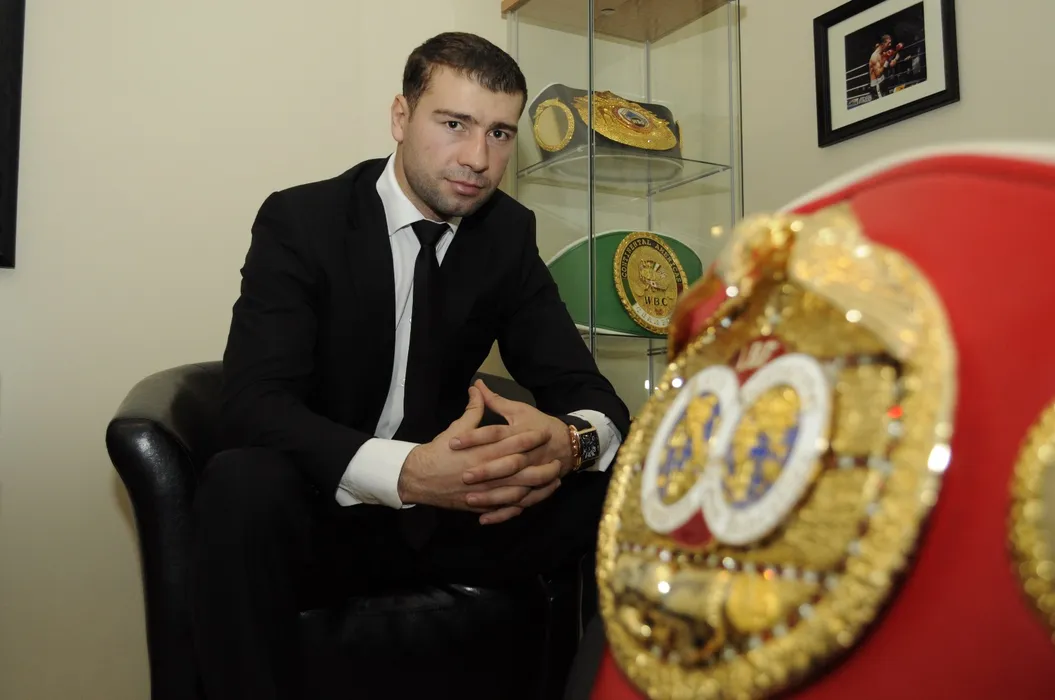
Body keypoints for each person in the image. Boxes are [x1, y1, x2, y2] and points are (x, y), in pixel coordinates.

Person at [190, 31, 631, 700]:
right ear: (401, 117)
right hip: (324, 509)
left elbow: (588, 391)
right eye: (454, 124)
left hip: (453, 517)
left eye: (499, 134)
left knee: (616, 488)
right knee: (239, 485)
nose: (478, 158)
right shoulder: (302, 221)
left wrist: (571, 444)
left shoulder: (506, 234)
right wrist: (410, 472)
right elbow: (253, 404)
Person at [868, 34, 899, 99]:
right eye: (888, 43)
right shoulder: (875, 57)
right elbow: (878, 73)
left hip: (883, 82)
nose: (890, 45)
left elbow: (896, 54)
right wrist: (887, 61)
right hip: (877, 85)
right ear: (883, 44)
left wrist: (895, 59)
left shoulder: (883, 53)